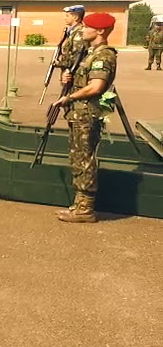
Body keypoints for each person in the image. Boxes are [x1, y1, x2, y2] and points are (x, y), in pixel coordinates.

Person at [53, 12, 118, 223]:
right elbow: (83, 80)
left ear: (99, 31)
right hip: (78, 113)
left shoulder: (104, 55)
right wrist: (67, 78)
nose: (84, 30)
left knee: (85, 159)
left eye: (88, 27)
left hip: (87, 114)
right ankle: (79, 204)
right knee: (78, 157)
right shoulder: (90, 53)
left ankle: (85, 209)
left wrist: (70, 97)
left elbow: (96, 87)